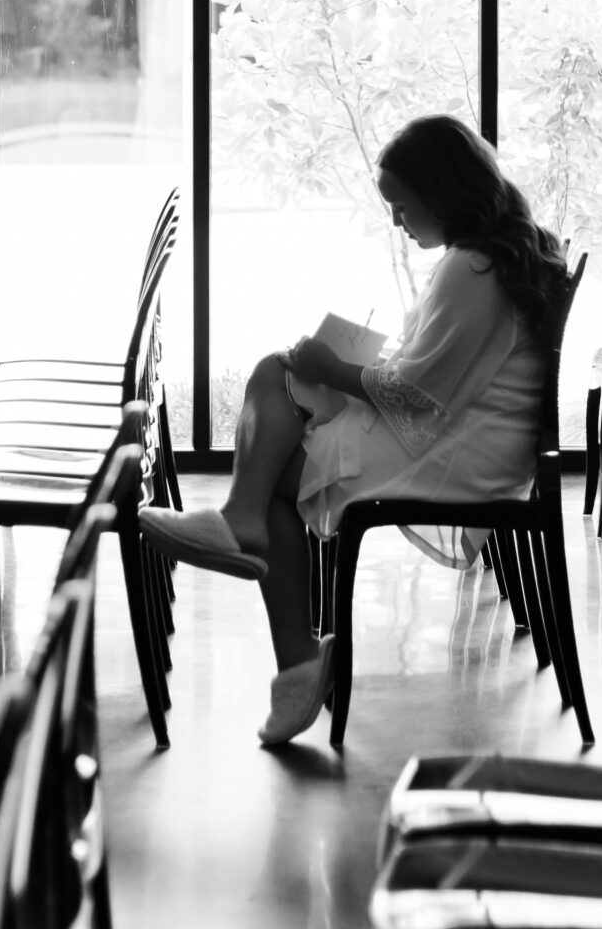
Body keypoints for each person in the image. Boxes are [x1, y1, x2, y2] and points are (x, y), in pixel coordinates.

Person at [140, 114, 570, 746]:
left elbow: (420, 397)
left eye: (403, 205)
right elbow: (442, 373)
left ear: (442, 192)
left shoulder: (472, 269)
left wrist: (335, 367)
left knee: (285, 467)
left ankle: (290, 640)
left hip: (453, 454)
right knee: (275, 372)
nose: (397, 221)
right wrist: (340, 368)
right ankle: (245, 523)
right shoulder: (495, 255)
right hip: (471, 440)